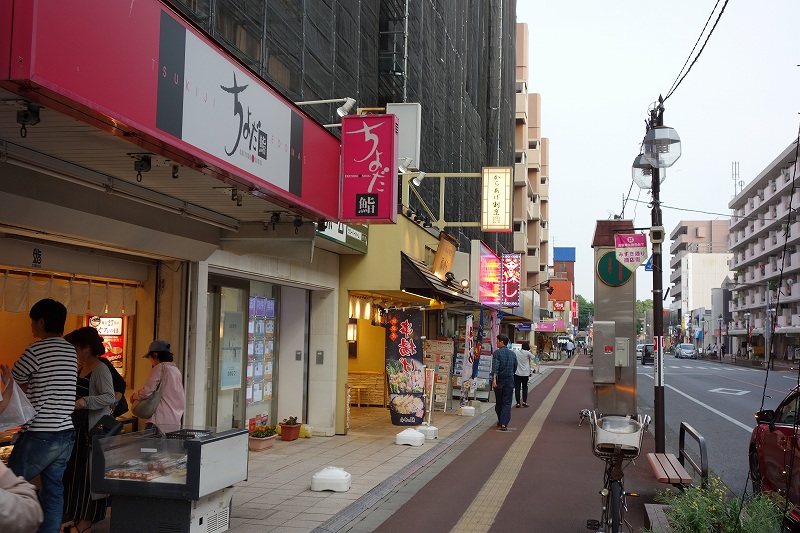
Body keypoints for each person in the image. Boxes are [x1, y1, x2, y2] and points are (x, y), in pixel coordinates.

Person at [9, 298, 78, 533]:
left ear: (41, 321)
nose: (31, 326)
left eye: (32, 321)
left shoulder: (36, 349)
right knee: (53, 490)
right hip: (65, 433)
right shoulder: (70, 350)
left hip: (40, 433)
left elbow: (14, 382)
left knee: (9, 486)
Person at [61, 327, 115, 533]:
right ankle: (78, 520)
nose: (73, 351)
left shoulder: (100, 369)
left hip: (91, 434)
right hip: (80, 432)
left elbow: (109, 397)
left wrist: (85, 401)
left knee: (86, 480)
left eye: (75, 347)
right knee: (77, 479)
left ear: (86, 348)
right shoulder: (82, 366)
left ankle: (85, 524)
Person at [131, 340, 185, 433]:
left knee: (150, 447)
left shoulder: (159, 368)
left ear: (155, 355)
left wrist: (135, 396)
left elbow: (146, 392)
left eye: (149, 357)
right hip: (174, 421)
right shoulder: (175, 370)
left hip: (158, 421)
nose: (149, 360)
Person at [491, 334, 517, 431]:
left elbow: (495, 367)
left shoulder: (497, 353)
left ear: (502, 342)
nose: (496, 343)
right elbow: (515, 367)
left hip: (499, 380)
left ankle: (501, 420)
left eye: (497, 341)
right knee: (507, 402)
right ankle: (504, 423)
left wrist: (493, 379)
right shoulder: (513, 354)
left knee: (499, 402)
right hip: (510, 380)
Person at [513, 341, 534, 409]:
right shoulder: (528, 353)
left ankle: (518, 402)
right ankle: (524, 402)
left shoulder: (517, 352)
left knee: (517, 388)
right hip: (525, 373)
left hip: (517, 373)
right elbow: (533, 357)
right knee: (525, 387)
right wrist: (531, 349)